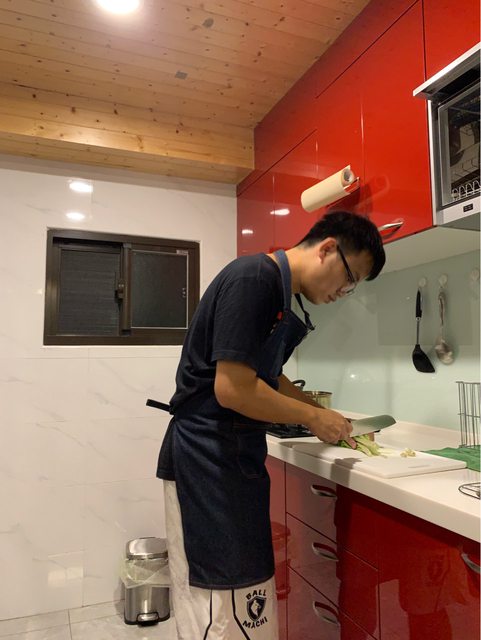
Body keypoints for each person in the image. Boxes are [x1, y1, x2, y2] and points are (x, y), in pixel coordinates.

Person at [156, 210, 386, 639]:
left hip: (230, 458)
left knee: (244, 599)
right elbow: (233, 389)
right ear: (328, 249)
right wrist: (314, 417)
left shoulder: (276, 291)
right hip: (207, 460)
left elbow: (269, 377)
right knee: (219, 606)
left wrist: (327, 417)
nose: (343, 293)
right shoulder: (254, 279)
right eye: (349, 279)